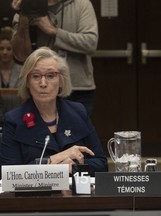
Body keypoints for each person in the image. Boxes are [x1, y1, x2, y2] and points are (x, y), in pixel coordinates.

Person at [0, 47, 108, 176]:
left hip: (75, 193)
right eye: (35, 76)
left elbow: (101, 164)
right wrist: (54, 160)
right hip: (36, 195)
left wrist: (74, 168)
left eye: (51, 76)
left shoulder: (78, 112)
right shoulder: (13, 120)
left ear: (61, 81)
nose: (43, 83)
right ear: (27, 82)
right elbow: (8, 174)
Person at [10, 0, 98, 116]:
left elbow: (90, 43)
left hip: (77, 88)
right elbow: (20, 55)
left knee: (78, 133)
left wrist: (54, 31)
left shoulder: (81, 4)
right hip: (39, 89)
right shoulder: (27, 4)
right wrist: (23, 21)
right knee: (38, 133)